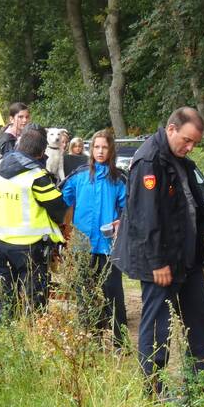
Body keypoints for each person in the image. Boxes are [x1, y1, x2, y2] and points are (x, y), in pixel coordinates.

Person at [111, 107, 204, 396]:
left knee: (200, 320)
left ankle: (200, 388)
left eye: (195, 143)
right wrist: (157, 262)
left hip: (186, 257)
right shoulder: (149, 160)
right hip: (160, 262)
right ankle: (153, 390)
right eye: (187, 140)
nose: (190, 147)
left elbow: (187, 200)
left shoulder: (179, 158)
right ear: (171, 129)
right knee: (159, 325)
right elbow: (146, 217)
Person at [0, 125, 68, 320]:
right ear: (41, 153)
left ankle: (4, 330)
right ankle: (32, 334)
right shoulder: (37, 176)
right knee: (34, 302)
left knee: (5, 297)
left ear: (19, 145)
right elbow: (58, 209)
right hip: (30, 248)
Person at [61, 130, 128, 345]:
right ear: (91, 150)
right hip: (82, 245)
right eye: (96, 147)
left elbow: (128, 210)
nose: (100, 151)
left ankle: (120, 341)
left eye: (104, 147)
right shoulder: (79, 176)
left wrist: (120, 222)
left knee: (113, 293)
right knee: (84, 293)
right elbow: (60, 201)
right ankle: (90, 339)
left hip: (108, 245)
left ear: (111, 150)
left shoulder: (119, 179)